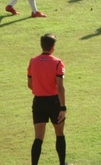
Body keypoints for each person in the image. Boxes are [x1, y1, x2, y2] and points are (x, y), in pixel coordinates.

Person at [27, 34, 67, 165]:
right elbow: (60, 88)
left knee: (38, 137)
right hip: (54, 102)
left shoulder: (33, 61)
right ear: (53, 46)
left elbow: (30, 84)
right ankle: (62, 163)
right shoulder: (57, 63)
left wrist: (39, 89)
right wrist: (63, 107)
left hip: (38, 102)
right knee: (59, 133)